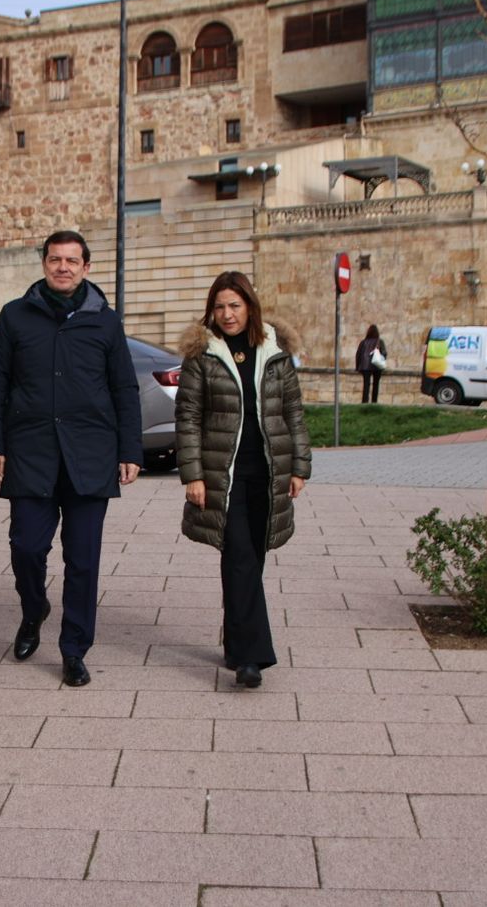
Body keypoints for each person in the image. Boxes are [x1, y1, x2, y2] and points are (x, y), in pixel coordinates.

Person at [0, 230, 142, 687]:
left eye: (73, 260)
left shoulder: (105, 323)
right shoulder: (15, 317)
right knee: (26, 548)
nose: (63, 267)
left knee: (83, 559)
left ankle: (74, 648)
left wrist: (130, 449)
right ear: (44, 263)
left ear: (86, 267)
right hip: (30, 454)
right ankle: (34, 611)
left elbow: (124, 389)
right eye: (55, 259)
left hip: (90, 457)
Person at [176, 271, 311, 689]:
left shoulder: (275, 352)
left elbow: (293, 413)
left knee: (251, 559)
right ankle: (252, 658)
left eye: (234, 305)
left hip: (267, 472)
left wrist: (300, 466)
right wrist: (193, 475)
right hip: (223, 475)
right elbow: (188, 418)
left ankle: (236, 644)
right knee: (239, 558)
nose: (226, 314)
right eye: (219, 306)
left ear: (250, 306)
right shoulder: (203, 355)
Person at [354, 324, 387, 404]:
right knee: (376, 384)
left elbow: (358, 354)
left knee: (366, 385)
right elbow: (384, 353)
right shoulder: (380, 341)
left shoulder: (363, 342)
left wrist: (358, 367)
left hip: (365, 366)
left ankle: (365, 402)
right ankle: (374, 401)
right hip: (377, 365)